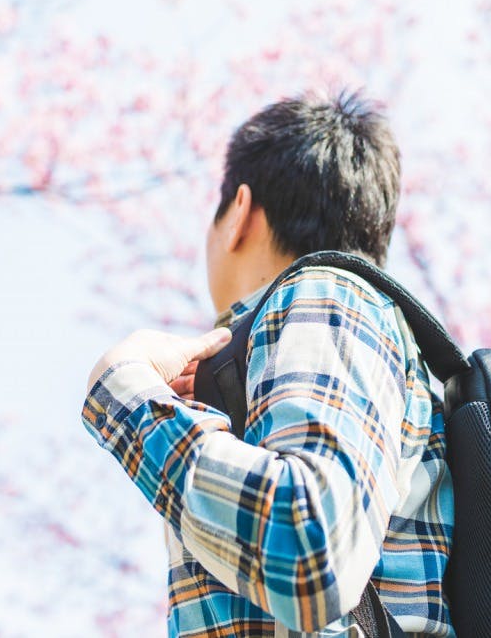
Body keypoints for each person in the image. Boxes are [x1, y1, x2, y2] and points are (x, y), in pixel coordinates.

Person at [81, 89, 454, 637]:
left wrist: (124, 392)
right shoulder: (344, 320)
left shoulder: (323, 296)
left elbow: (311, 548)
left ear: (239, 212)